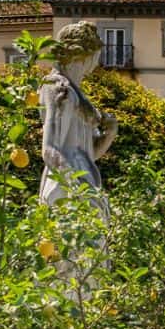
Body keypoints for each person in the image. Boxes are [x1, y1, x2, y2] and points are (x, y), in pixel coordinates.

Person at [39, 20, 117, 220]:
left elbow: (90, 153)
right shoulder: (58, 90)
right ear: (82, 56)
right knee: (71, 248)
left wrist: (108, 136)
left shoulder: (77, 94)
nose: (95, 64)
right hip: (66, 187)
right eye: (94, 58)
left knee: (93, 248)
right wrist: (74, 186)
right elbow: (49, 150)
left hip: (84, 179)